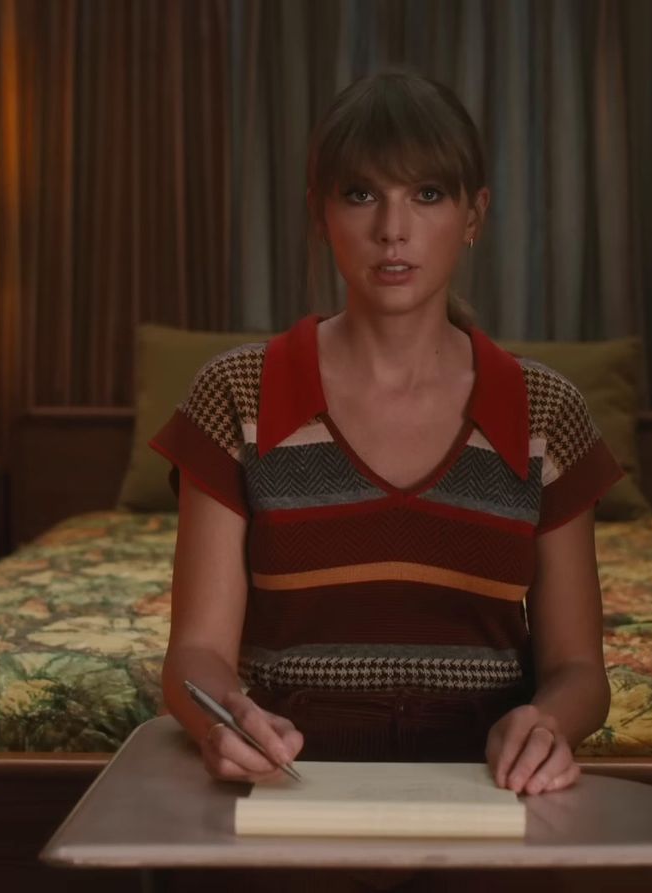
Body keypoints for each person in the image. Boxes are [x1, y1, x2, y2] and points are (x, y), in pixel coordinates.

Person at [150, 69, 622, 798]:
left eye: (427, 195)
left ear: (474, 214)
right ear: (320, 213)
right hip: (288, 786)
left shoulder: (545, 411)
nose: (392, 229)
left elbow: (579, 670)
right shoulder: (235, 394)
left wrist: (546, 724)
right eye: (361, 194)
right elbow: (197, 652)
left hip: (488, 790)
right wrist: (227, 718)